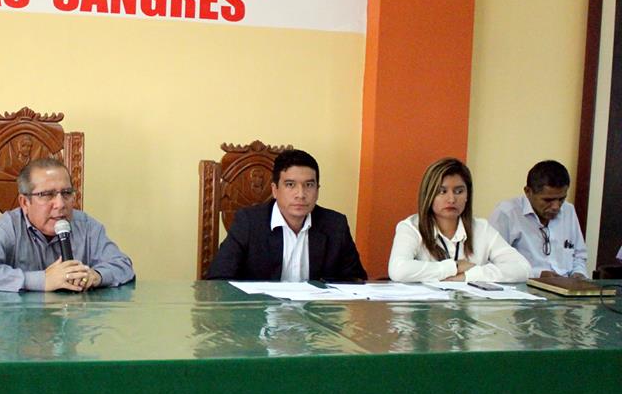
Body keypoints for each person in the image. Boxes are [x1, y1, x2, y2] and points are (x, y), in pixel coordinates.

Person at [0, 157, 134, 292]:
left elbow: (123, 265)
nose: (60, 204)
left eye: (66, 193)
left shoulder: (87, 226)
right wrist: (42, 280)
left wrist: (96, 276)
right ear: (24, 202)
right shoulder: (7, 227)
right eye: (47, 194)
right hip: (21, 322)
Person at [206, 149, 367, 282]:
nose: (300, 194)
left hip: (314, 310)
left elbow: (355, 281)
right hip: (260, 310)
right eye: (290, 185)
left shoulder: (335, 225)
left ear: (317, 190)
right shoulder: (248, 223)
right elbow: (218, 279)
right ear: (275, 190)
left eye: (309, 185)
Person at [388, 158, 529, 282]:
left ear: (467, 195)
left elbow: (522, 268)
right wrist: (455, 267)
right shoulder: (411, 227)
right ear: (428, 195)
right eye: (442, 191)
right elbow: (398, 270)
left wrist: (470, 275)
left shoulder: (481, 228)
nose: (451, 199)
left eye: (459, 191)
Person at [488, 160, 587, 278]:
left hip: (566, 284)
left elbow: (579, 255)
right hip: (524, 284)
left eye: (561, 199)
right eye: (548, 200)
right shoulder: (507, 213)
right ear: (528, 192)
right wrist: (537, 274)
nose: (556, 207)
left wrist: (579, 273)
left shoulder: (568, 210)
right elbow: (492, 262)